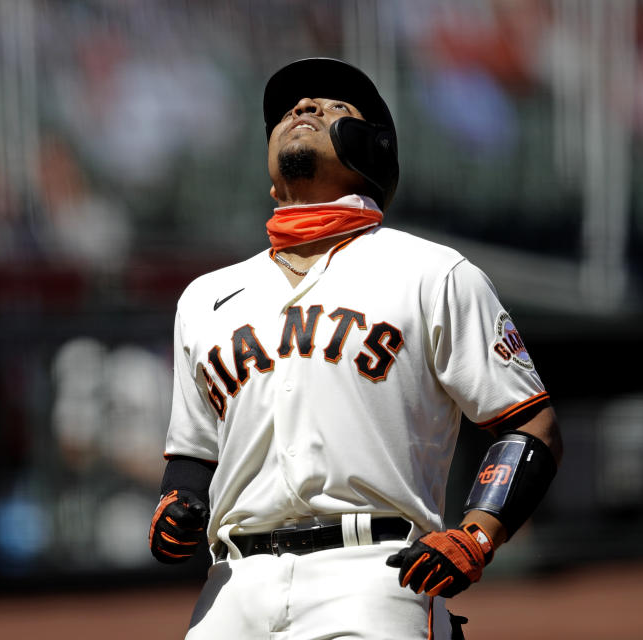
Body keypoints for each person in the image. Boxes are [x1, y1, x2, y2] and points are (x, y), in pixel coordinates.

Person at [149, 57, 563, 639]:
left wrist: (476, 532)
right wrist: (177, 503)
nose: (303, 109)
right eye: (291, 109)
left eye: (333, 106)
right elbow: (193, 454)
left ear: (373, 151)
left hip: (374, 573)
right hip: (232, 587)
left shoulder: (432, 273)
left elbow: (529, 424)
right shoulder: (206, 297)